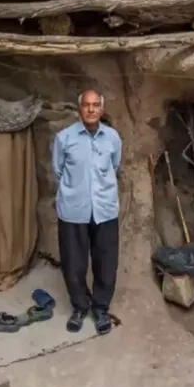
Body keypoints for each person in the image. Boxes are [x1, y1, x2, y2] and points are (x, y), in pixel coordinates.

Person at [52, 89, 122, 334]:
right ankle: (80, 306)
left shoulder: (112, 138)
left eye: (95, 105)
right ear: (79, 108)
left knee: (106, 262)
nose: (91, 109)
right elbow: (58, 171)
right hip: (73, 209)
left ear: (101, 109)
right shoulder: (64, 138)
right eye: (86, 105)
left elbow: (115, 166)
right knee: (74, 262)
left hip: (105, 209)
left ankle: (101, 308)